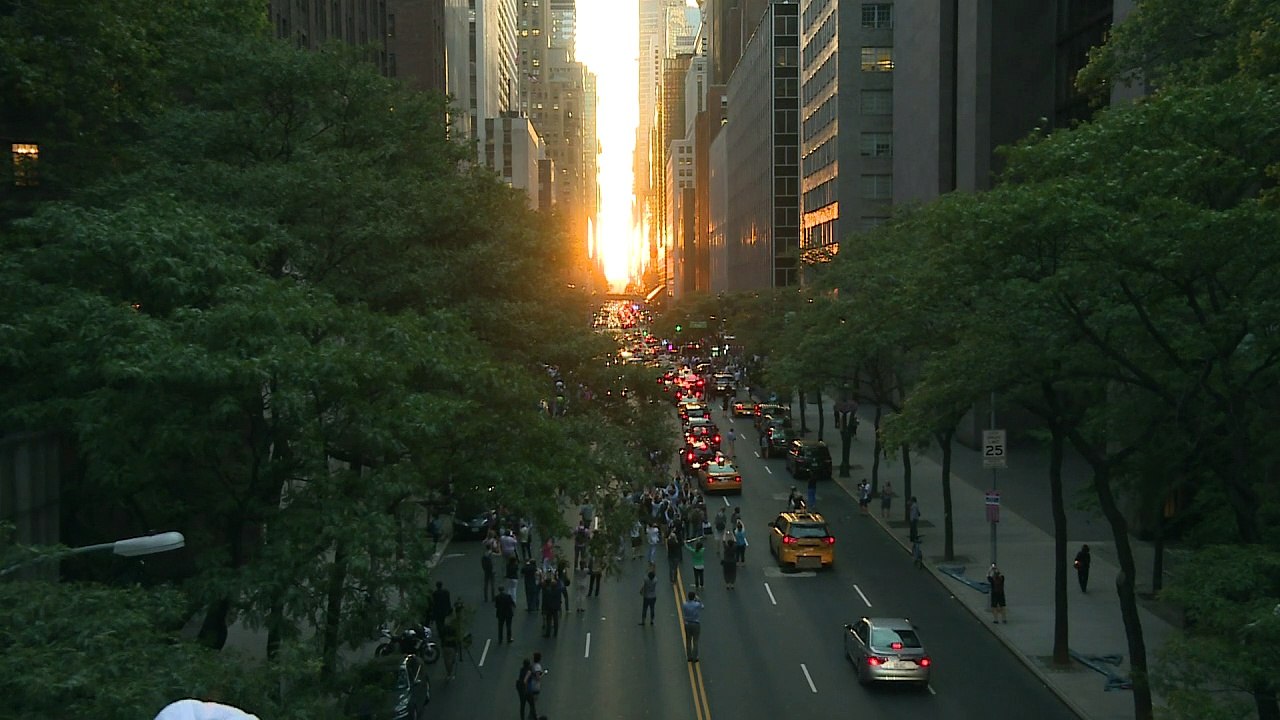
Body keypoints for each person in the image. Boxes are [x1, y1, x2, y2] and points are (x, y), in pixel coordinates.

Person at [682, 590, 704, 662]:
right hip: (695, 623)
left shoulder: (685, 604)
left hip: (687, 623)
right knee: (695, 641)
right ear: (694, 597)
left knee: (688, 640)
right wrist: (698, 599)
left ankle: (689, 657)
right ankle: (695, 657)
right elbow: (702, 606)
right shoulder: (697, 604)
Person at [526, 652, 545, 720]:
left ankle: (533, 715)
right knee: (533, 702)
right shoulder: (538, 667)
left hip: (532, 685)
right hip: (535, 686)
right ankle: (533, 716)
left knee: (533, 702)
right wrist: (543, 674)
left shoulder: (533, 665)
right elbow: (538, 677)